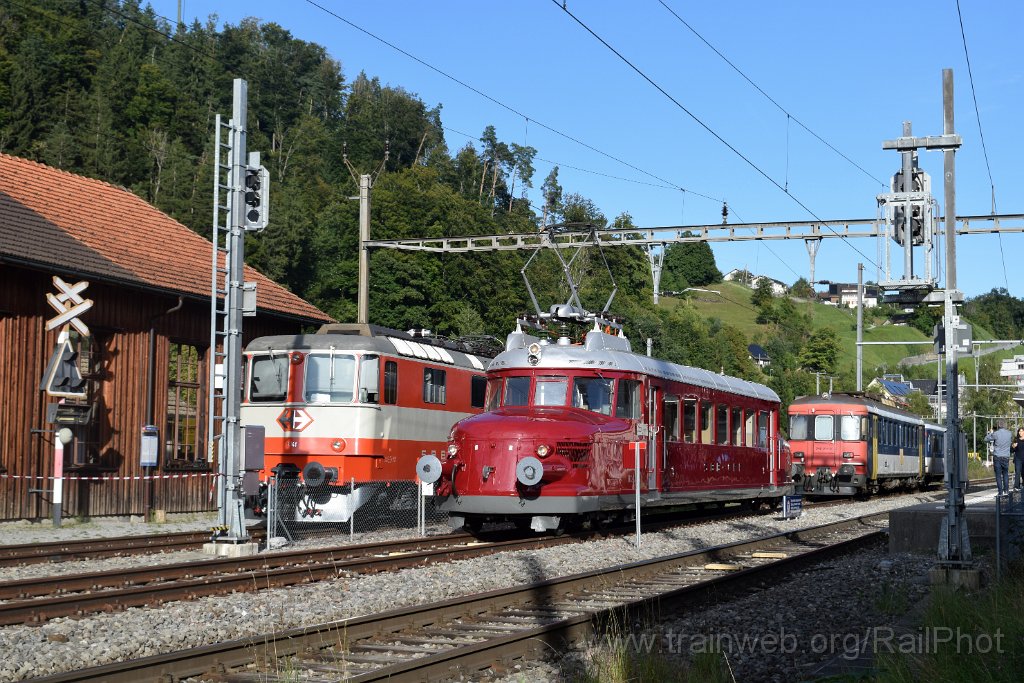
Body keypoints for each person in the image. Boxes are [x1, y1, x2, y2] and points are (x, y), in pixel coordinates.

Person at [985, 420, 1013, 496]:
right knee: (1005, 474)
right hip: (1006, 457)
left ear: (998, 425)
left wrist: (991, 432)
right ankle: (1006, 491)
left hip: (997, 457)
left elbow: (986, 439)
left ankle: (1000, 492)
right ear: (1005, 425)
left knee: (998, 475)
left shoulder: (995, 434)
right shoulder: (1009, 433)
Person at [1013, 427, 1024, 492]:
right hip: (1018, 459)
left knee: (1023, 473)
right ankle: (1016, 486)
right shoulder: (1016, 440)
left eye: (1022, 431)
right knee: (1017, 472)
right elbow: (1012, 450)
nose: (1020, 432)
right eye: (1019, 431)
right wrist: (1013, 447)